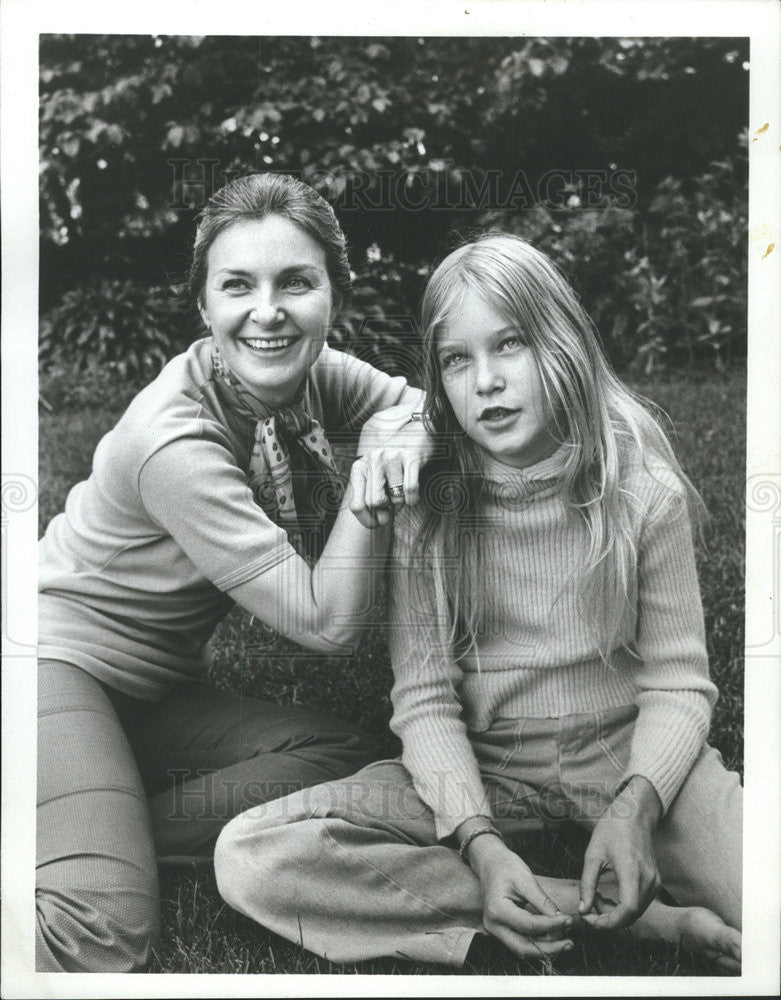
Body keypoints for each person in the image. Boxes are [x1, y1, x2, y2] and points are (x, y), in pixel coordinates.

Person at [214, 233, 743, 972]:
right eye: (457, 360)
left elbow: (679, 681)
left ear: (561, 345)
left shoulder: (640, 488)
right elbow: (425, 700)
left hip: (632, 761)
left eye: (510, 345)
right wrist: (479, 842)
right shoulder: (427, 501)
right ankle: (599, 913)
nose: (485, 381)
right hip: (487, 768)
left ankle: (616, 858)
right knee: (254, 854)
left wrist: (636, 806)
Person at [36, 172, 432, 972]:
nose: (268, 311)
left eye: (296, 282)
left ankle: (88, 825)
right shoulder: (173, 442)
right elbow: (327, 624)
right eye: (237, 286)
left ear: (333, 297)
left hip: (149, 692)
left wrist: (404, 426)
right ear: (204, 308)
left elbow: (422, 402)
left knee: (348, 758)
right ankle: (82, 844)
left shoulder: (312, 373)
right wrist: (367, 490)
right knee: (99, 927)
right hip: (48, 667)